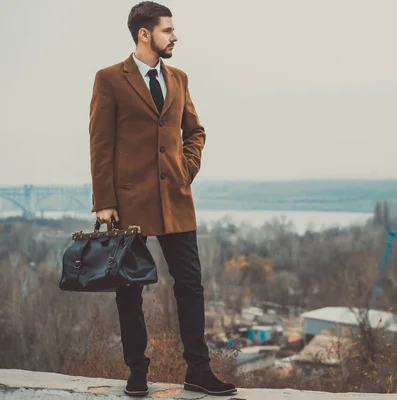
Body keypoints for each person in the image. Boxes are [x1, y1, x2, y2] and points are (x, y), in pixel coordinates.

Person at [89, 1, 236, 397]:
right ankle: (137, 372)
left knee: (191, 285)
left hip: (176, 200)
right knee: (129, 288)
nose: (174, 36)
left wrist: (186, 169)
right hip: (129, 203)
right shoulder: (109, 79)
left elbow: (196, 131)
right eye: (167, 30)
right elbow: (100, 143)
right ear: (144, 34)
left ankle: (198, 372)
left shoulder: (179, 78)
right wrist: (104, 199)